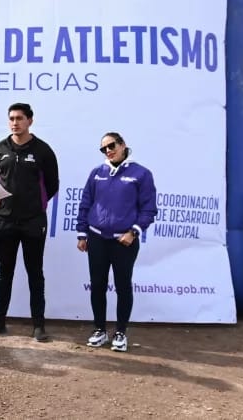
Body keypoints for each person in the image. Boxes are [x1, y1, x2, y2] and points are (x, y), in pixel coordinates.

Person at [0, 103, 59, 342]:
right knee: (3, 272)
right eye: (11, 119)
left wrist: (35, 206)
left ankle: (38, 325)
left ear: (30, 121)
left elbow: (52, 184)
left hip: (33, 222)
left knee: (35, 273)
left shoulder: (43, 150)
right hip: (4, 221)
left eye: (19, 118)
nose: (15, 123)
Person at [75, 132, 157, 352]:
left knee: (123, 286)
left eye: (111, 146)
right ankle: (99, 330)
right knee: (98, 285)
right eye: (103, 148)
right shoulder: (97, 173)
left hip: (124, 241)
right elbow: (85, 204)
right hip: (97, 239)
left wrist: (133, 232)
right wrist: (82, 234)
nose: (108, 150)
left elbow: (149, 209)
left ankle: (121, 332)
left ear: (123, 145)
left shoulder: (141, 174)